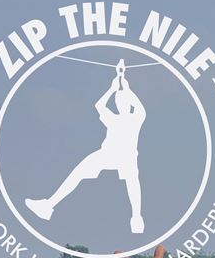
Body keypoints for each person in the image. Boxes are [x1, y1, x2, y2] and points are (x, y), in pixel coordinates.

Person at [27, 59, 147, 233]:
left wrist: (121, 88)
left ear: (127, 103)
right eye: (118, 100)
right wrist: (116, 88)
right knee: (80, 173)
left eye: (122, 101)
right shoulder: (118, 118)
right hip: (110, 154)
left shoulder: (133, 118)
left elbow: (106, 105)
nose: (120, 103)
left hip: (123, 156)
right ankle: (48, 206)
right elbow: (99, 106)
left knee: (132, 182)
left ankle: (136, 218)